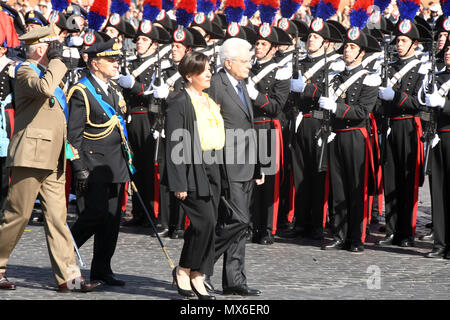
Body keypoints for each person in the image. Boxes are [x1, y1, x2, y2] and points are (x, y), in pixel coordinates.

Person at [0, 25, 101, 292]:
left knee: (58, 218)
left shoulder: (49, 72)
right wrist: (57, 61)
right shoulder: (24, 70)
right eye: (53, 47)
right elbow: (44, 90)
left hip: (54, 156)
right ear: (42, 49)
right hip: (30, 156)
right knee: (17, 215)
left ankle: (69, 276)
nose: (59, 52)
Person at [67, 37, 130, 286]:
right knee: (94, 215)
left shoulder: (114, 89)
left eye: (116, 59)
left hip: (115, 164)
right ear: (94, 63)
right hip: (92, 166)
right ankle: (65, 257)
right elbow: (73, 136)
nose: (116, 64)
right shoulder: (82, 91)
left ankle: (102, 268)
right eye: (110, 60)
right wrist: (79, 169)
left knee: (112, 220)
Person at [164, 51, 224, 300]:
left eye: (209, 68)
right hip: (191, 167)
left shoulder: (208, 99)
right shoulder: (179, 101)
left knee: (208, 225)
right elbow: (175, 144)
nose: (209, 73)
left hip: (212, 166)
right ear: (189, 75)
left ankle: (197, 273)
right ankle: (185, 270)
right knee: (204, 223)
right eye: (203, 70)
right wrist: (179, 181)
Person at [206, 37, 263, 296]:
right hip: (226, 164)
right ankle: (197, 267)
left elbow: (247, 126)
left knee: (240, 224)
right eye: (244, 61)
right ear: (228, 63)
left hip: (245, 163)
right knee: (239, 220)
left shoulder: (240, 84)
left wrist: (258, 165)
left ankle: (234, 280)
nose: (249, 65)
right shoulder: (216, 85)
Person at [320, 25, 381, 252]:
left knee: (356, 188)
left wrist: (335, 107)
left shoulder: (369, 78)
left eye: (352, 47)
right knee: (338, 187)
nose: (347, 50)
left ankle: (356, 237)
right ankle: (339, 234)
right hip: (335, 136)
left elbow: (362, 112)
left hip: (356, 136)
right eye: (346, 46)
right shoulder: (335, 75)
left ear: (361, 52)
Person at [377, 13, 430, 247]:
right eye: (397, 40)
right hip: (390, 124)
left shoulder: (420, 67)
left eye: (404, 41)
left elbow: (420, 101)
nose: (399, 45)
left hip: (409, 124)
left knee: (407, 182)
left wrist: (395, 96)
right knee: (390, 180)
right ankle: (391, 229)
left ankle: (406, 231)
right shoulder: (388, 66)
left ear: (414, 44)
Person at [423, 36, 450, 259]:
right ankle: (440, 242)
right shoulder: (437, 77)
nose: (448, 52)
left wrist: (444, 103)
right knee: (439, 191)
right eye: (447, 48)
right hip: (437, 137)